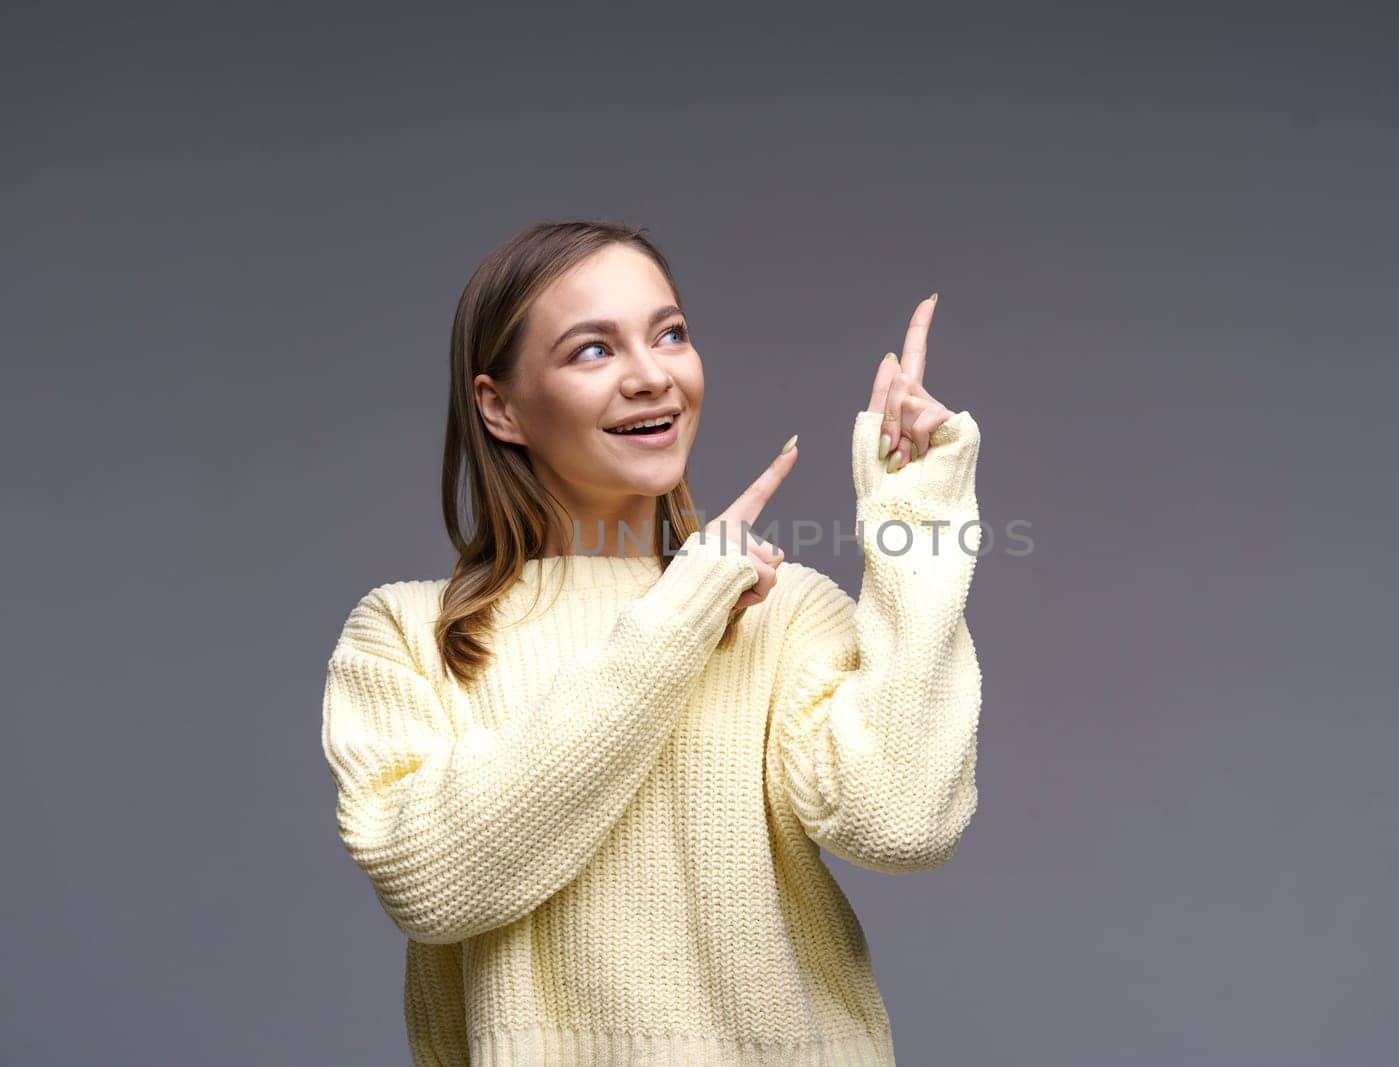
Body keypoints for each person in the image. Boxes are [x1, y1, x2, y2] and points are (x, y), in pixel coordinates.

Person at [320, 219, 984, 1066]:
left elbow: (902, 822)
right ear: (501, 406)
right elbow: (432, 880)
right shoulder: (407, 634)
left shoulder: (779, 612)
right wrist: (680, 616)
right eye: (593, 351)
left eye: (669, 333)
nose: (651, 376)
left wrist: (916, 525)